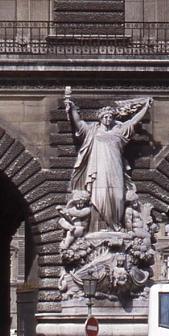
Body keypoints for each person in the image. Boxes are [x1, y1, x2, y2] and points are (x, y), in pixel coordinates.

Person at [64, 93, 151, 234]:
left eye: (110, 117)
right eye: (105, 117)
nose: (108, 119)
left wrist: (145, 108)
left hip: (116, 169)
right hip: (99, 170)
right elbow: (79, 124)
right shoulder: (92, 131)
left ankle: (116, 225)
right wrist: (72, 108)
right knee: (99, 197)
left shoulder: (118, 131)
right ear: (100, 118)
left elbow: (133, 122)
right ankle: (100, 229)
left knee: (118, 197)